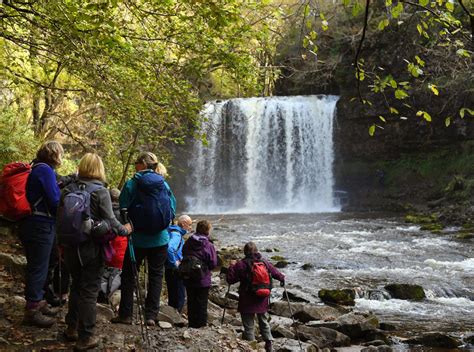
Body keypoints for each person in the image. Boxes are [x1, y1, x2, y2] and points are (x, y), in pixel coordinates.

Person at [61, 153, 131, 351]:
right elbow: (110, 220)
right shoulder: (101, 192)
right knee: (90, 291)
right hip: (91, 248)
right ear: (99, 169)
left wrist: (61, 244)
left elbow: (59, 219)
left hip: (70, 247)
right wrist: (125, 230)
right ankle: (86, 337)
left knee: (76, 286)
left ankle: (71, 328)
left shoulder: (67, 189)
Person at [111, 152, 176, 326]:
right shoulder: (163, 183)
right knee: (156, 276)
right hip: (160, 239)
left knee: (129, 276)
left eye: (136, 163)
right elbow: (172, 206)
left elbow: (122, 207)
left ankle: (126, 315)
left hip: (137, 239)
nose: (134, 166)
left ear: (142, 165)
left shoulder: (132, 183)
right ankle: (151, 316)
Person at [18, 140, 64, 328]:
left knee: (45, 263)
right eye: (60, 153)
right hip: (40, 225)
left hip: (34, 224)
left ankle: (40, 301)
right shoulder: (45, 170)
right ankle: (32, 310)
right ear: (54, 154)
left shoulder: (36, 166)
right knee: (38, 267)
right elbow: (54, 200)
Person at [226, 242, 285, 352]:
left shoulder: (241, 264)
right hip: (262, 297)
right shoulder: (264, 262)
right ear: (257, 251)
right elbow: (276, 273)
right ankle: (269, 343)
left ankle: (251, 346)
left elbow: (231, 279)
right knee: (263, 320)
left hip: (247, 298)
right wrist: (282, 278)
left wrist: (231, 267)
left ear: (245, 252)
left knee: (249, 324)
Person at [182, 220, 217, 328]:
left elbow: (183, 252)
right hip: (203, 277)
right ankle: (201, 325)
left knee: (191, 300)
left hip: (189, 275)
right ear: (207, 231)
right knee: (202, 302)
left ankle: (192, 323)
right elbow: (213, 263)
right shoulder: (208, 244)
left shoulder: (189, 241)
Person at [165, 215, 192, 312]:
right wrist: (174, 264)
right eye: (189, 225)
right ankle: (177, 317)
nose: (190, 227)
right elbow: (170, 249)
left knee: (172, 294)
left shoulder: (170, 231)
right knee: (179, 295)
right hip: (175, 269)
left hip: (168, 268)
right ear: (183, 224)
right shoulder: (176, 235)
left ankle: (172, 315)